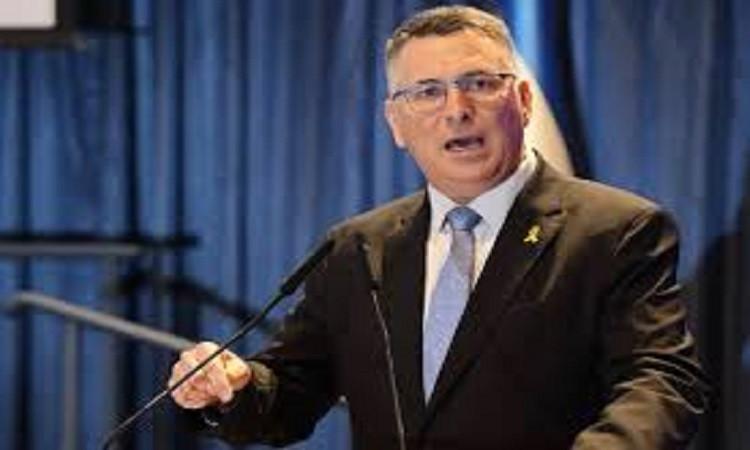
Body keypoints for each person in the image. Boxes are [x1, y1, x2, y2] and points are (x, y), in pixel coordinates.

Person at [169, 6, 710, 449]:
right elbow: (291, 393)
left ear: (522, 101)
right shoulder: (358, 246)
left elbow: (660, 383)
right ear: (396, 123)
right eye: (427, 92)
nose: (456, 109)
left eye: (479, 83)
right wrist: (235, 386)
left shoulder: (614, 230)